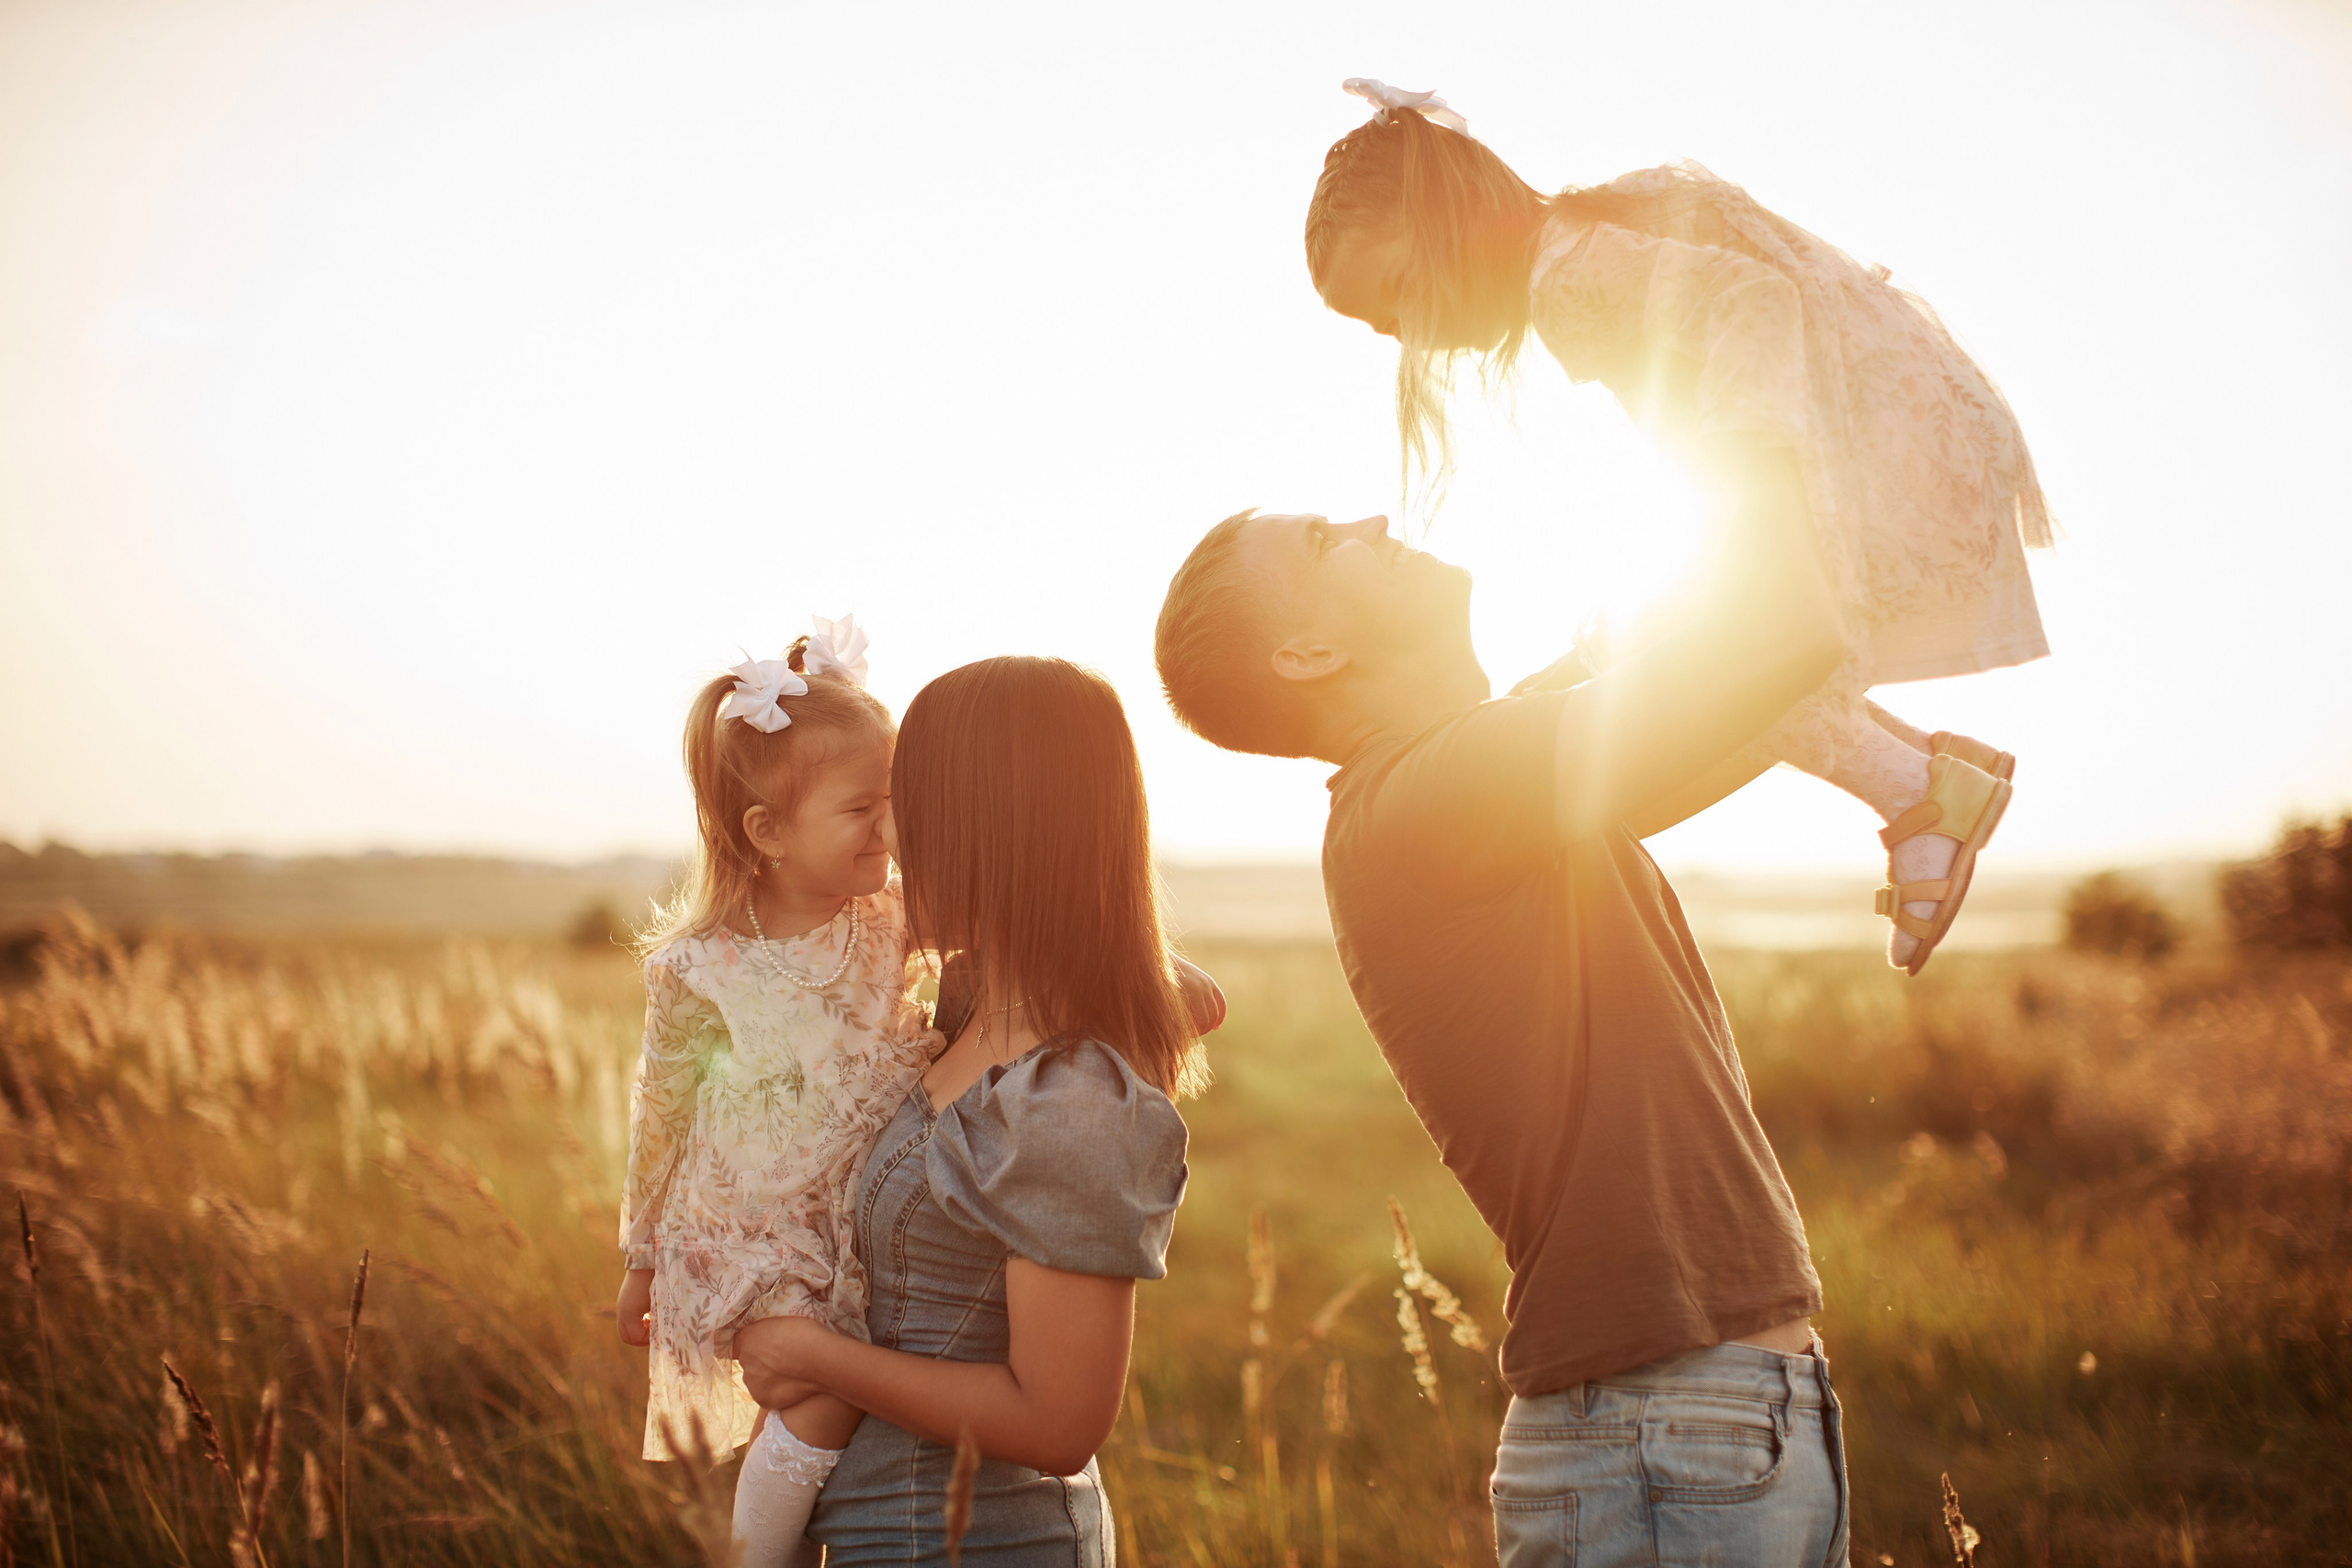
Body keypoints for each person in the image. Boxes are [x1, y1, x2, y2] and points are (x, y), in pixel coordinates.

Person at [1153, 491, 1852, 1564]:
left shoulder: (1474, 780)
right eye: (1325, 540)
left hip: (1685, 1423)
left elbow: (1728, 672)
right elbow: (1773, 638)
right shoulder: (1424, 801)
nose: (1374, 523)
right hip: (1665, 1432)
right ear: (1307, 652)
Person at [1306, 77, 2041, 973]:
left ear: (1445, 217)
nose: (1412, 335)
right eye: (1386, 328)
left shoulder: (1568, 276)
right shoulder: (1577, 242)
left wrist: (1747, 471)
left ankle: (1919, 790)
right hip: (1890, 426)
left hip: (1864, 445)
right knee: (1676, 643)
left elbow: (1752, 304)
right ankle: (1930, 777)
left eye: (1400, 292)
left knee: (1708, 654)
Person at [732, 655, 1215, 1567]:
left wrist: (814, 1357)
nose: (885, 840)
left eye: (898, 801)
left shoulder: (1072, 1099)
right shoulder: (968, 1001)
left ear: (981, 826)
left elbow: (1059, 1421)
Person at [616, 615, 941, 1567]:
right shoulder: (699, 967)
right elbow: (661, 1110)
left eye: (893, 801)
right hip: (748, 1226)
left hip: (854, 1219)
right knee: (823, 1394)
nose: (887, 827)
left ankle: (791, 1545)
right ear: (766, 831)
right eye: (860, 808)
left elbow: (1014, 918)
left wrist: (1153, 967)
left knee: (819, 1405)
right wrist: (640, 1254)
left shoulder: (892, 916)